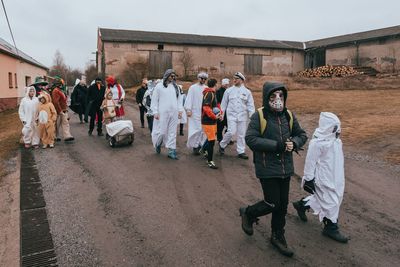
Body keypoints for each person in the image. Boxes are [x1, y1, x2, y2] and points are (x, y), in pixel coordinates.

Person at [240, 81, 307, 257]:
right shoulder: (259, 116)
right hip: (266, 167)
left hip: (286, 168)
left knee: (282, 205)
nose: (278, 100)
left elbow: (302, 135)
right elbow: (251, 139)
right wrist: (276, 145)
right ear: (266, 97)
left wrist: (295, 143)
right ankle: (248, 213)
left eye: (281, 96)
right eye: (273, 96)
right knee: (272, 202)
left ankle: (278, 236)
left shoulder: (289, 116)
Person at [292, 112, 349, 243]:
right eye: (335, 127)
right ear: (328, 127)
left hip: (337, 177)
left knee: (326, 198)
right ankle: (331, 227)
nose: (338, 130)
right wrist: (308, 179)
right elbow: (310, 162)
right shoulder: (317, 143)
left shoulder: (336, 141)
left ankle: (302, 205)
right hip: (323, 178)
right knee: (331, 202)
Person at [219, 72, 255, 159]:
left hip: (242, 116)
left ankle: (241, 151)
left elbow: (250, 105)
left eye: (236, 78)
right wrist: (221, 114)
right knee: (231, 131)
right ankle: (222, 144)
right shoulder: (229, 91)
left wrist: (252, 116)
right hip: (231, 115)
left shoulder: (247, 92)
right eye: (234, 78)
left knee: (241, 134)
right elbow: (223, 104)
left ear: (242, 80)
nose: (234, 80)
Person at [150, 69, 183, 160]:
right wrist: (155, 112)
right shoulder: (159, 86)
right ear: (166, 76)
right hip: (162, 113)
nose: (173, 78)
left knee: (172, 132)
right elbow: (154, 100)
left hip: (174, 113)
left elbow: (180, 100)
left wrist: (180, 111)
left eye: (174, 76)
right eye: (171, 76)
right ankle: (158, 144)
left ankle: (171, 151)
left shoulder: (176, 87)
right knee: (162, 131)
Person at [184, 72, 208, 155]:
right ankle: (195, 146)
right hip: (194, 113)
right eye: (202, 78)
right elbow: (189, 99)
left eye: (205, 79)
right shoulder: (192, 88)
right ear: (198, 78)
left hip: (204, 112)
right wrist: (188, 110)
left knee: (203, 130)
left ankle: (200, 145)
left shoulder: (206, 88)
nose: (203, 80)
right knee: (196, 130)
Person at [201, 78, 221, 169]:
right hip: (208, 121)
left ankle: (204, 149)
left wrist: (220, 114)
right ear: (215, 84)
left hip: (212, 121)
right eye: (217, 84)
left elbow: (216, 106)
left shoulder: (212, 93)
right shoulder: (209, 93)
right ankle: (210, 161)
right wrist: (214, 116)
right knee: (212, 141)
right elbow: (206, 107)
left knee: (211, 139)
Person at [216, 78, 229, 142]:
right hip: (220, 111)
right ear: (223, 84)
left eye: (227, 84)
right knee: (220, 127)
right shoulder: (218, 91)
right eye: (226, 84)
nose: (227, 86)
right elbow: (217, 102)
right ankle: (219, 139)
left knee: (229, 127)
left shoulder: (228, 91)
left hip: (228, 111)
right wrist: (219, 111)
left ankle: (226, 139)